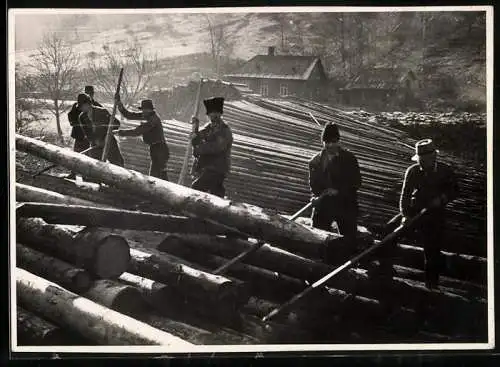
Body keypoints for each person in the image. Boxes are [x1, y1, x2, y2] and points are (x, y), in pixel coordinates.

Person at [399, 138, 458, 289]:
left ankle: (431, 286)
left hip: (435, 214)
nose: (422, 163)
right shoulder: (412, 171)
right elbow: (404, 196)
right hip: (415, 211)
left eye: (424, 160)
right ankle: (384, 272)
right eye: (420, 160)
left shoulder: (445, 171)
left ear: (433, 157)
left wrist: (442, 199)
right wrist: (405, 215)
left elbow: (455, 190)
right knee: (389, 232)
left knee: (432, 251)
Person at [308, 123, 362, 247]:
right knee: (317, 239)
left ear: (338, 141)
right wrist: (315, 196)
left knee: (349, 241)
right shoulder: (315, 161)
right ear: (323, 142)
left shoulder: (349, 159)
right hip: (324, 205)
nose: (330, 145)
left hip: (345, 204)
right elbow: (313, 185)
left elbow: (357, 183)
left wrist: (338, 191)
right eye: (326, 142)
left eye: (333, 142)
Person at [113, 95, 169, 181]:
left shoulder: (153, 119)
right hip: (155, 148)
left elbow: (137, 132)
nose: (142, 112)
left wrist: (120, 132)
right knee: (159, 176)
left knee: (156, 176)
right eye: (142, 110)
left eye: (144, 110)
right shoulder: (146, 115)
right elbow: (129, 115)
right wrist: (119, 104)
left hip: (160, 149)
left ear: (149, 110)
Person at [190, 97, 233, 197]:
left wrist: (200, 149)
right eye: (210, 113)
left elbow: (217, 147)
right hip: (208, 166)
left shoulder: (224, 130)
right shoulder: (208, 128)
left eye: (214, 112)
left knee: (197, 189)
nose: (211, 115)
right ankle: (220, 211)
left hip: (217, 167)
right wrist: (195, 128)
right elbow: (197, 141)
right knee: (217, 194)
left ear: (219, 113)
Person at [77, 93, 124, 167]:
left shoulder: (102, 112)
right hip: (95, 145)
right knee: (94, 166)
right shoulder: (82, 117)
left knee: (118, 164)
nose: (81, 109)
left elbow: (116, 124)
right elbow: (87, 134)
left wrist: (108, 135)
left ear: (87, 104)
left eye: (81, 106)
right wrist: (95, 141)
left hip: (108, 142)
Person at [66, 86, 102, 179]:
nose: (88, 95)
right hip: (79, 135)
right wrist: (74, 123)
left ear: (93, 94)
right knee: (76, 155)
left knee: (89, 157)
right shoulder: (77, 105)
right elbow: (71, 115)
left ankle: (86, 176)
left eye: (90, 93)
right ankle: (73, 173)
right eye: (86, 93)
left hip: (90, 137)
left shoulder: (97, 106)